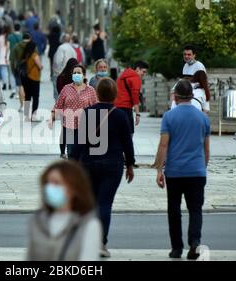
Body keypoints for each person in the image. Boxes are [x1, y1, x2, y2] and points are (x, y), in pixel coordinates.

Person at [70, 77, 135, 257]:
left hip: (88, 164)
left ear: (97, 93)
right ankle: (101, 242)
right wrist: (130, 164)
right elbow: (127, 143)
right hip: (112, 164)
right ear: (115, 94)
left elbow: (79, 142)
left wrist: (72, 162)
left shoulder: (88, 113)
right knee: (105, 203)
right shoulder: (120, 115)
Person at [154, 79, 210, 260]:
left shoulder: (169, 117)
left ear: (176, 97)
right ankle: (194, 243)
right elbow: (206, 149)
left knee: (174, 209)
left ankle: (176, 247)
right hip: (196, 171)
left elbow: (163, 145)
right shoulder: (203, 117)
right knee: (195, 209)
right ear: (192, 97)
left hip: (175, 171)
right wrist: (203, 167)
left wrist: (159, 170)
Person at [27, 161, 101, 261]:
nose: (50, 188)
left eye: (56, 183)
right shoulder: (38, 221)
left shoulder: (89, 225)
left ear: (73, 188)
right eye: (47, 183)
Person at [49, 65, 98, 158]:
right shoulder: (66, 88)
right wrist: (52, 117)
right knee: (71, 152)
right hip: (69, 126)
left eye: (79, 73)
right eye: (74, 73)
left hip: (84, 126)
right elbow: (58, 105)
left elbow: (95, 107)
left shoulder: (90, 90)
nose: (76, 74)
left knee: (83, 153)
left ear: (84, 75)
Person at [115, 61, 149, 137]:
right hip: (126, 108)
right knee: (129, 133)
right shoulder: (135, 78)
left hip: (116, 107)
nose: (144, 74)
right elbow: (135, 97)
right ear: (137, 69)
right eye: (143, 72)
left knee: (119, 132)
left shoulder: (123, 75)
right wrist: (137, 114)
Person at [21, 41, 43, 122]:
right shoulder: (34, 55)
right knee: (35, 97)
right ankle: (33, 116)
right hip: (34, 79)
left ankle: (26, 115)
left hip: (26, 78)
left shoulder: (25, 55)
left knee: (27, 97)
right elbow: (40, 66)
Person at [9, 32, 31, 112]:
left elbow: (12, 59)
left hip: (19, 68)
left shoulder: (16, 46)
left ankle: (22, 105)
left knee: (20, 86)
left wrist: (12, 69)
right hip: (30, 69)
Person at [52, 34, 77, 101]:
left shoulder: (61, 48)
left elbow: (58, 61)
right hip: (72, 74)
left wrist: (56, 71)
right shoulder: (72, 49)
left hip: (61, 73)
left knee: (58, 94)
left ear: (63, 39)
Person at [0, 25, 11, 90]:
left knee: (3, 71)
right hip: (10, 55)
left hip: (2, 55)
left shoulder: (0, 37)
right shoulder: (10, 37)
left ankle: (4, 84)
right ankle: (10, 84)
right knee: (10, 71)